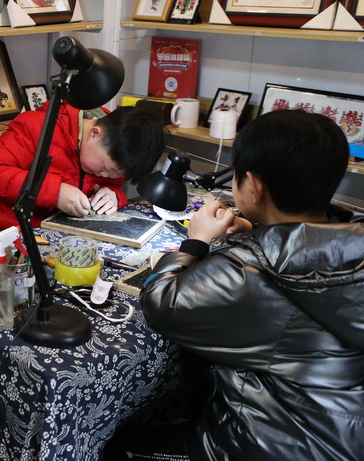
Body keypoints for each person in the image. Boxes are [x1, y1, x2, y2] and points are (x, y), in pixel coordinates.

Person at [107, 109, 364, 460]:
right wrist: (263, 233)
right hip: (344, 437)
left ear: (253, 187)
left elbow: (162, 303)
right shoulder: (353, 242)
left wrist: (195, 242)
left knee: (119, 445)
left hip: (269, 444)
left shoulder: (249, 269)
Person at [0, 104, 166, 238]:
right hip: (9, 236)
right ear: (94, 134)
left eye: (116, 174)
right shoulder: (37, 127)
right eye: (105, 168)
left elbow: (109, 182)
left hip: (61, 239)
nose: (105, 176)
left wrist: (113, 194)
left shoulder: (116, 142)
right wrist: (55, 192)